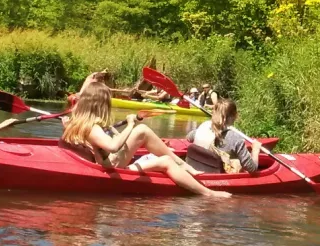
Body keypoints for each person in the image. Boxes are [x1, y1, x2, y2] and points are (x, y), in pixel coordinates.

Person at [62, 83, 231, 198]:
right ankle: (208, 193)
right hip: (112, 166)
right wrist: (129, 125)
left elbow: (99, 142)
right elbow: (113, 147)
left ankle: (184, 166)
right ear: (99, 103)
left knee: (142, 132)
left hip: (108, 162)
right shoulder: (92, 127)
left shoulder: (77, 120)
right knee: (164, 159)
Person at [187, 98, 260, 173]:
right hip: (216, 176)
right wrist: (255, 150)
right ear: (236, 115)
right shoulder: (235, 138)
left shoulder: (204, 126)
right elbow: (252, 168)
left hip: (195, 170)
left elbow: (189, 137)